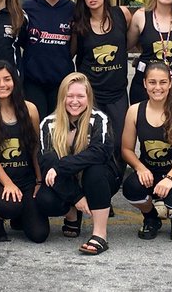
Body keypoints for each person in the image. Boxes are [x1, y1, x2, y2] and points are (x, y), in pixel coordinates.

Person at [36, 72, 119, 255]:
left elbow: (100, 152)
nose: (75, 101)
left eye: (80, 96)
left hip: (98, 180)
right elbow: (46, 161)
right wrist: (76, 197)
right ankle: (72, 213)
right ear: (62, 97)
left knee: (95, 169)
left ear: (88, 98)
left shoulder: (99, 119)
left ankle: (100, 234)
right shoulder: (48, 123)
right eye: (70, 96)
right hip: (66, 183)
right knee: (44, 198)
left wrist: (61, 166)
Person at [121, 61, 172, 242]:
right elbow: (126, 149)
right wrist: (140, 168)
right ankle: (151, 218)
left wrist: (170, 179)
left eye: (163, 82)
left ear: (170, 83)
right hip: (149, 171)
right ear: (145, 83)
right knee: (131, 189)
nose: (158, 87)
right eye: (152, 82)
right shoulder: (134, 111)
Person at [0, 61, 49, 243]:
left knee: (39, 234)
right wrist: (8, 184)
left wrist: (38, 180)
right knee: (10, 205)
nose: (2, 85)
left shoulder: (30, 109)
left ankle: (20, 216)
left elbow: (35, 149)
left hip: (26, 179)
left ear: (15, 81)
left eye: (7, 79)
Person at [72, 0, 132, 158]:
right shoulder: (79, 24)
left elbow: (127, 43)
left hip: (117, 92)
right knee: (93, 140)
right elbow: (73, 54)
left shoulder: (122, 14)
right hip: (92, 92)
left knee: (120, 140)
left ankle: (115, 178)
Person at [20, 0, 76, 117]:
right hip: (33, 80)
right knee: (36, 124)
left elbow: (75, 43)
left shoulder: (72, 9)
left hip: (62, 80)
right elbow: (22, 40)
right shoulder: (28, 8)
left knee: (58, 126)